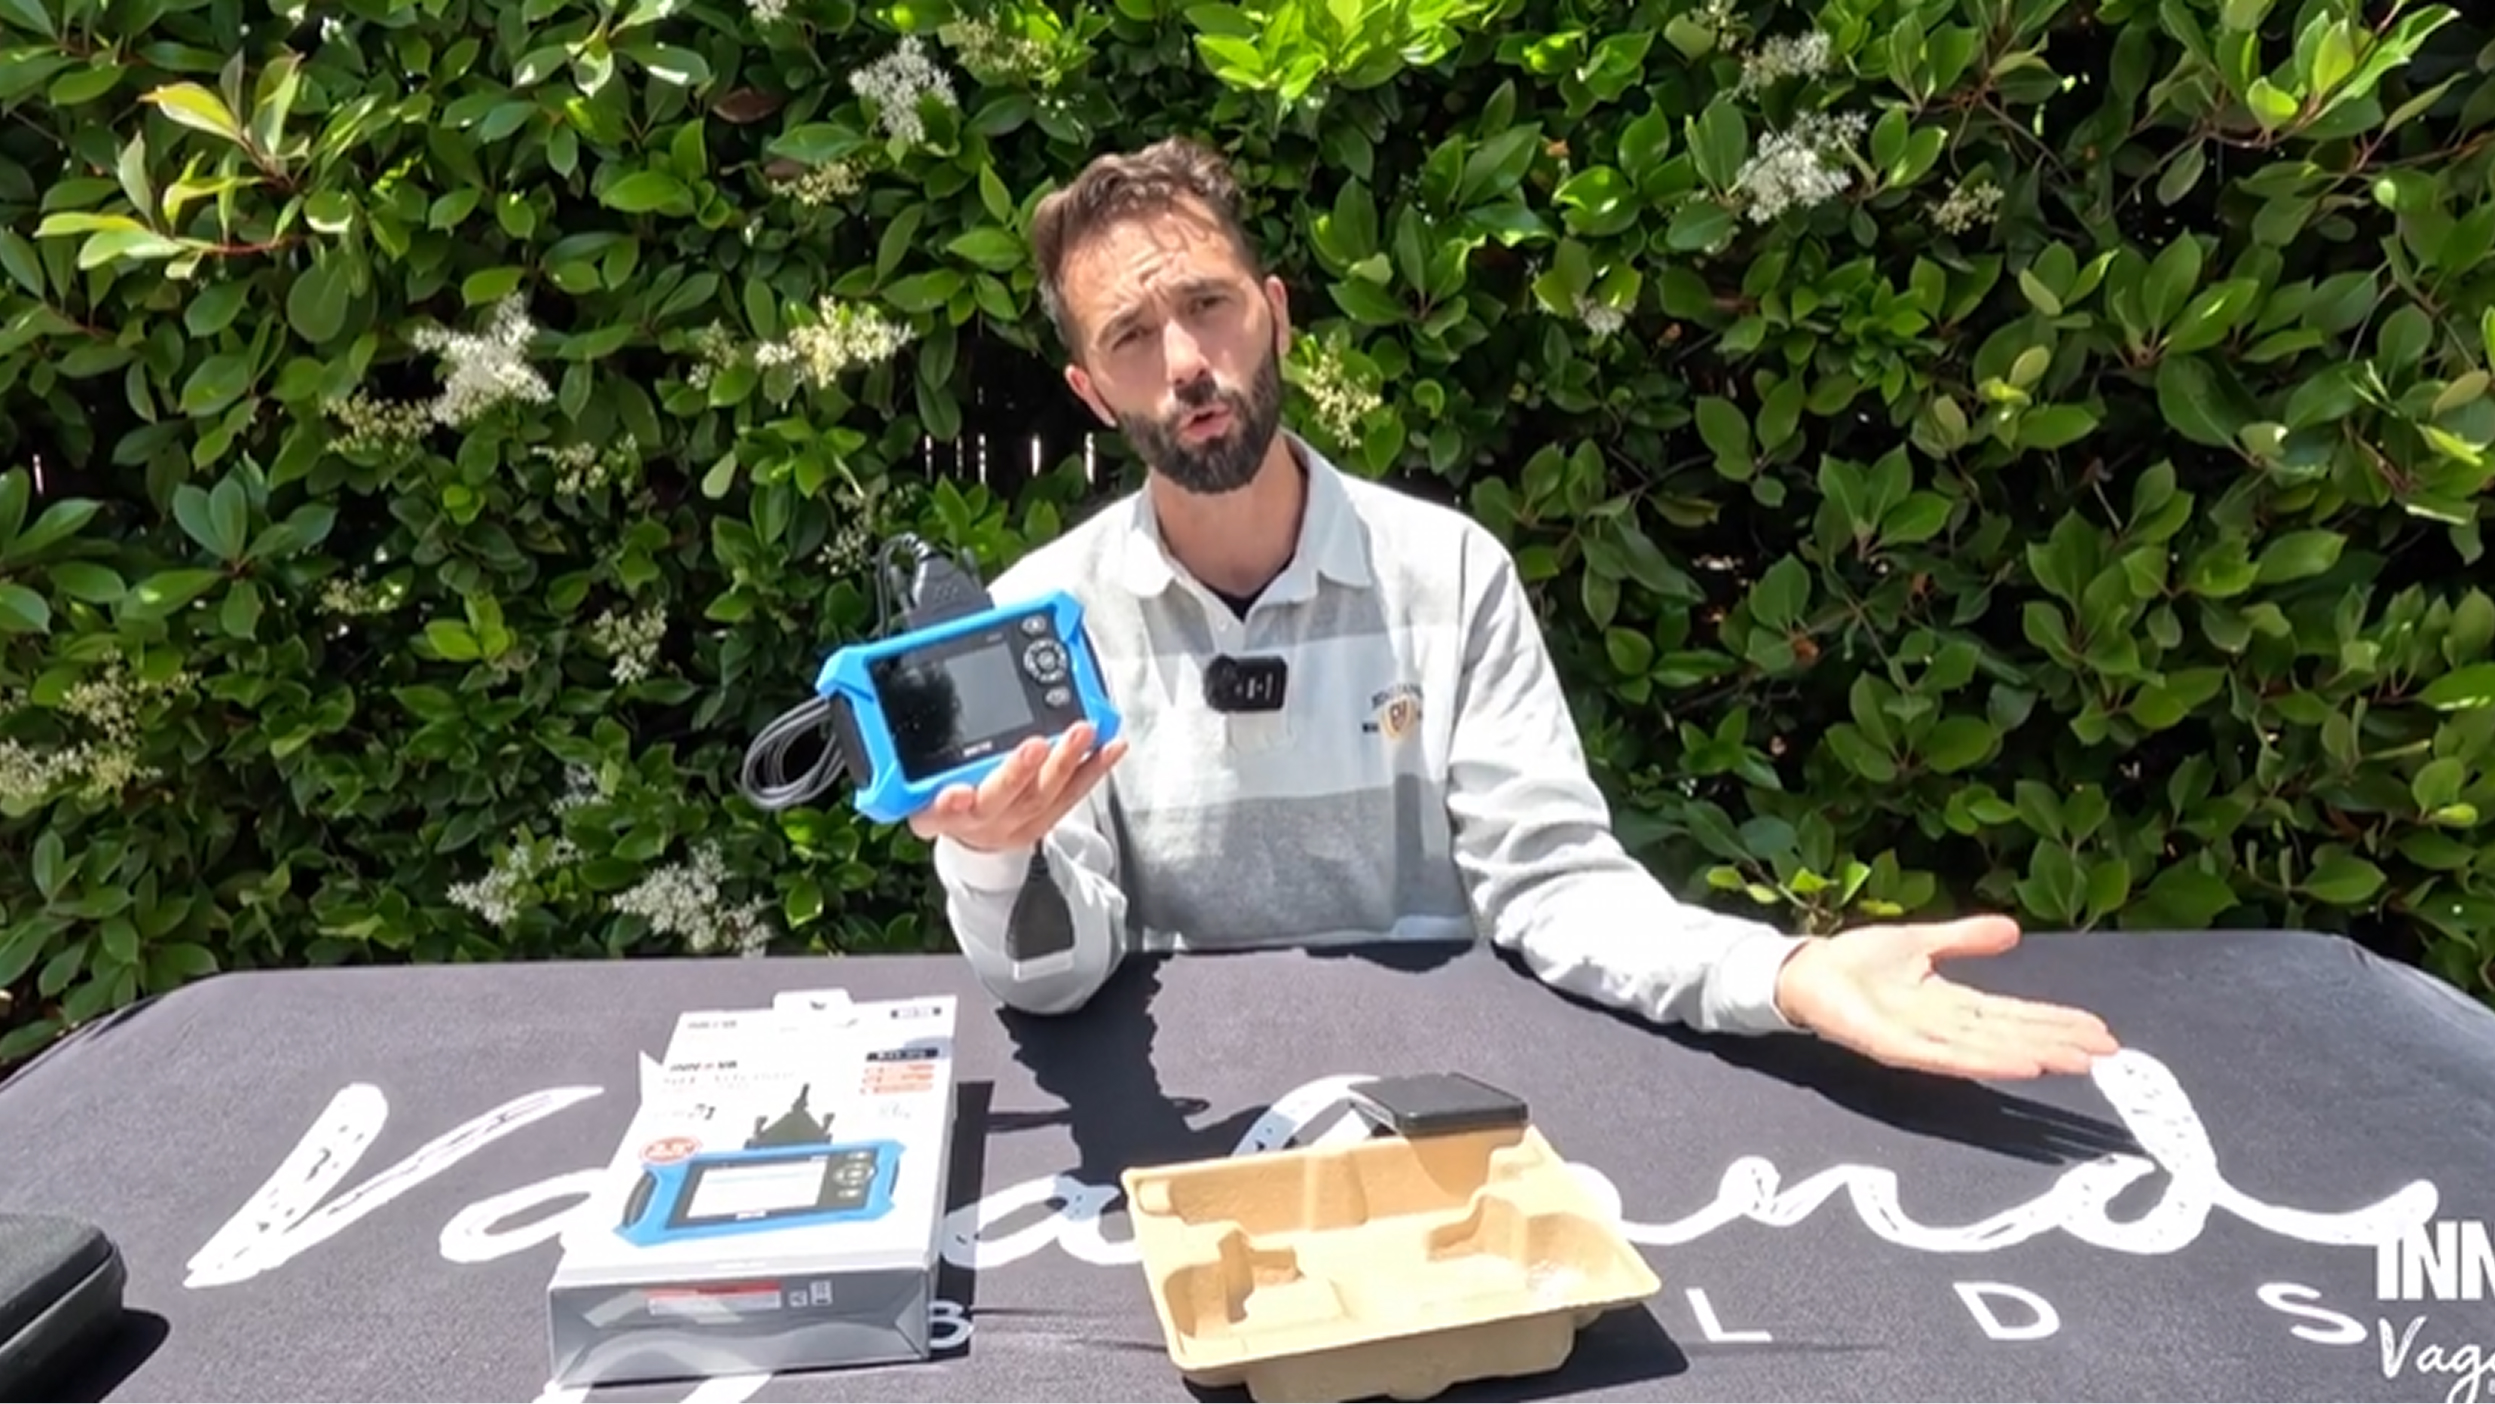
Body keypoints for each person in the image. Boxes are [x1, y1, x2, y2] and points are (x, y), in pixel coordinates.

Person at [909, 135, 2118, 1083]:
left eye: (1208, 305)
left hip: (1448, 1103)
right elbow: (1053, 983)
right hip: (1177, 1127)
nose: (1183, 360)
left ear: (1274, 310)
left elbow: (1550, 889)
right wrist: (992, 857)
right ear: (1084, 390)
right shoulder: (1037, 618)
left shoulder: (1447, 570)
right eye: (1129, 334)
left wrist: (1786, 974)